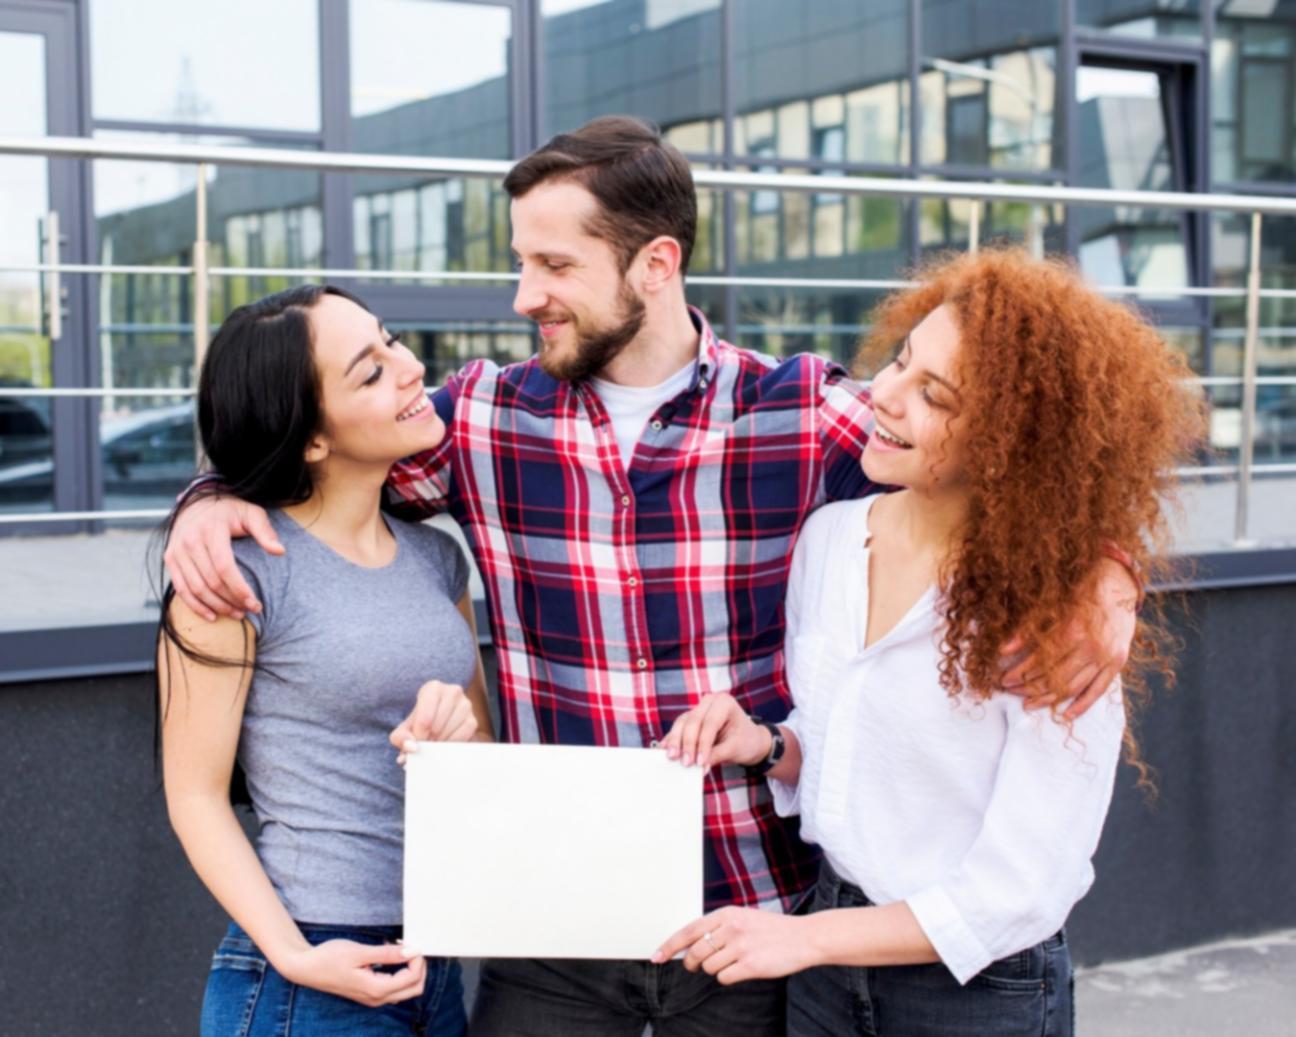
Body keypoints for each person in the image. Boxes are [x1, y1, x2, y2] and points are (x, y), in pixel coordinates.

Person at [162, 118, 1141, 1036]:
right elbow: (312, 456)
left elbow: (1012, 455)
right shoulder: (481, 421)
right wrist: (210, 499)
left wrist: (1110, 567)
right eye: (521, 262)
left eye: (555, 265)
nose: (524, 296)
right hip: (552, 930)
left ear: (656, 264)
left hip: (751, 927)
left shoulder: (801, 412)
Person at [654, 250, 1205, 1036]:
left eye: (933, 394)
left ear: (1012, 442)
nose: (882, 394)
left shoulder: (1058, 620)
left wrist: (803, 938)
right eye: (900, 360)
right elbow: (852, 754)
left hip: (973, 994)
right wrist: (767, 744)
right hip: (824, 975)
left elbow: (1018, 892)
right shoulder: (831, 540)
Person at [157, 285, 494, 1036]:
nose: (410, 367)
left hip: (432, 962)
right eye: (370, 372)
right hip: (307, 972)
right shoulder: (234, 572)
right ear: (312, 438)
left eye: (391, 340)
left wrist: (457, 730)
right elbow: (195, 796)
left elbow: (481, 757)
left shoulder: (437, 558)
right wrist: (294, 954)